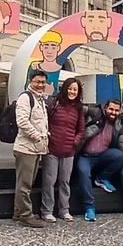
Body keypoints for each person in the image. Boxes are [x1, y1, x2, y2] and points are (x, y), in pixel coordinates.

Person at [74, 99, 123, 221]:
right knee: (84, 174)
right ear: (105, 108)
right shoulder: (96, 112)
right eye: (111, 109)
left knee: (119, 156)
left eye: (116, 110)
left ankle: (102, 178)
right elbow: (78, 108)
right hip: (85, 155)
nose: (113, 112)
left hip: (103, 155)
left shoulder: (117, 124)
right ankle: (90, 207)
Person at [40, 78, 85, 223]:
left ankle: (64, 210)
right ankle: (47, 211)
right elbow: (44, 121)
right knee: (49, 180)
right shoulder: (54, 103)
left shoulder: (78, 108)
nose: (72, 92)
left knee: (65, 182)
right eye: (70, 88)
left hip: (68, 151)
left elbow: (81, 128)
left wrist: (75, 141)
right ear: (65, 88)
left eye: (75, 90)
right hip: (51, 149)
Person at [13, 70, 50, 228]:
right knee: (25, 184)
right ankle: (25, 215)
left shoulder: (40, 99)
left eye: (43, 82)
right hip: (26, 147)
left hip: (36, 148)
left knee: (27, 182)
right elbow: (22, 121)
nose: (40, 85)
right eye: (38, 82)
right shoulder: (25, 97)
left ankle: (18, 211)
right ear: (31, 81)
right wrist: (37, 136)